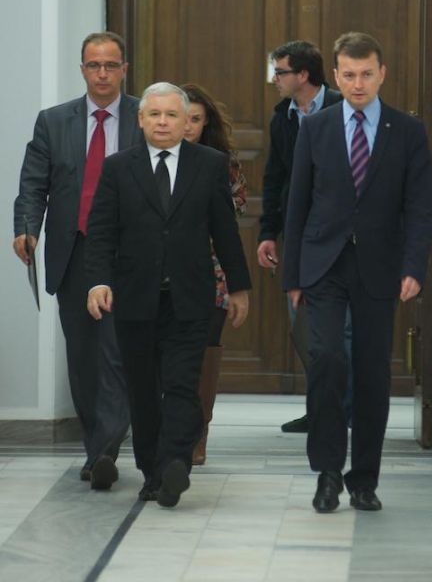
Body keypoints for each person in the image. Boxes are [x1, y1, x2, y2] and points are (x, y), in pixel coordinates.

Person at [283, 32, 432, 513]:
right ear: (335, 74)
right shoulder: (316, 128)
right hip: (323, 264)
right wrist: (292, 277)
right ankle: (327, 473)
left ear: (382, 73)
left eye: (367, 73)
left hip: (380, 266)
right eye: (348, 74)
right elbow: (297, 204)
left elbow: (420, 208)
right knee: (327, 358)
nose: (358, 83)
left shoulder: (407, 131)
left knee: (371, 372)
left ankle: (364, 478)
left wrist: (414, 266)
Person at [85, 82, 251, 508]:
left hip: (190, 297)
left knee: (181, 383)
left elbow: (225, 231)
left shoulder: (209, 164)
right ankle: (151, 472)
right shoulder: (118, 167)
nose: (163, 122)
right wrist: (98, 282)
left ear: (185, 122)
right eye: (155, 114)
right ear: (140, 119)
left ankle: (175, 461)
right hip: (135, 297)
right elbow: (101, 232)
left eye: (172, 115)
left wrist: (238, 287)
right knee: (143, 389)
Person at [13, 31, 141, 490]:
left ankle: (106, 449)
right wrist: (27, 227)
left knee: (117, 351)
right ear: (82, 69)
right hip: (74, 251)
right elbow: (34, 183)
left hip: (128, 253)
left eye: (111, 65)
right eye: (94, 65)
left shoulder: (143, 116)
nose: (102, 74)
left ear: (124, 69)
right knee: (84, 356)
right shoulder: (54, 122)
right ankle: (96, 447)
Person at [256, 40, 350, 433]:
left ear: (304, 75)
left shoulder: (342, 110)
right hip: (300, 234)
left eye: (280, 72)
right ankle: (322, 408)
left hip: (342, 236)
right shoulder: (283, 117)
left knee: (343, 329)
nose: (274, 80)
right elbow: (275, 177)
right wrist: (268, 232)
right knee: (305, 326)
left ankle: (345, 408)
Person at [181, 83, 247, 466]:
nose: (188, 126)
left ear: (206, 123)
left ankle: (199, 431)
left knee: (206, 350)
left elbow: (234, 211)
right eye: (183, 117)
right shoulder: (151, 160)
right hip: (164, 270)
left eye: (196, 119)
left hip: (213, 269)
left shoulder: (222, 163)